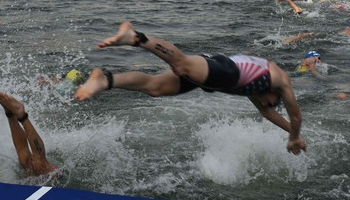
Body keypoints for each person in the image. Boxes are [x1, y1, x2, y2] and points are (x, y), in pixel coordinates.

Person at [74, 21, 306, 155]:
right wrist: (294, 135)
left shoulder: (258, 93)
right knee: (181, 65)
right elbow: (295, 115)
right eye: (272, 102)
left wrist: (293, 135)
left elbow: (268, 114)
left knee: (155, 87)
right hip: (226, 70)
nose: (267, 104)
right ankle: (135, 37)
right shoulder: (279, 80)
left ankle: (105, 80)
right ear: (275, 94)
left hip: (216, 74)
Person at [0, 91, 57, 177]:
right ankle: (11, 113)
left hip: (52, 175)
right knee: (25, 162)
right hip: (43, 180)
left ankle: (19, 115)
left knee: (38, 166)